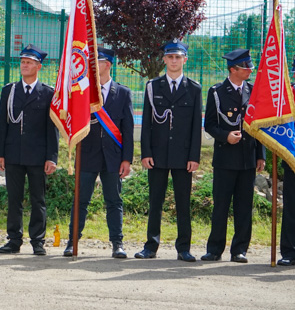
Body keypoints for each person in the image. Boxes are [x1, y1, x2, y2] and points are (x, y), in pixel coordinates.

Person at [62, 47, 134, 258]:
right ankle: (72, 241)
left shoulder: (123, 93)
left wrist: (127, 159)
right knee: (80, 200)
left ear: (108, 65)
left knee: (114, 201)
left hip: (113, 156)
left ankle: (117, 243)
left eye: (98, 62)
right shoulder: (83, 91)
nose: (92, 66)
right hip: (87, 153)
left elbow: (128, 130)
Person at [136, 41, 202, 261]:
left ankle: (184, 248)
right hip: (157, 154)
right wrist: (145, 152)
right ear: (164, 60)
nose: (174, 61)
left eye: (178, 57)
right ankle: (150, 247)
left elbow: (195, 126)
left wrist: (194, 156)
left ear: (185, 59)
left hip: (184, 157)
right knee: (155, 202)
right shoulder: (153, 86)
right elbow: (146, 123)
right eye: (170, 57)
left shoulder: (194, 88)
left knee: (183, 204)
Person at [201, 49, 265, 263]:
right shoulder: (217, 92)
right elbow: (209, 124)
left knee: (244, 206)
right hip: (225, 158)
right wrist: (225, 136)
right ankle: (215, 249)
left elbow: (258, 126)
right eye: (245, 67)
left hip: (247, 158)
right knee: (221, 205)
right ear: (233, 69)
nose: (250, 71)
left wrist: (260, 155)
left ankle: (239, 250)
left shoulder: (253, 90)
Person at [0, 44, 58, 256]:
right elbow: (2, 125)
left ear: (38, 66)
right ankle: (13, 239)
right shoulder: (9, 91)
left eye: (29, 62)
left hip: (37, 156)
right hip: (13, 154)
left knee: (37, 199)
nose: (24, 65)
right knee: (14, 198)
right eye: (22, 62)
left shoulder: (47, 93)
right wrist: (0, 153)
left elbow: (52, 129)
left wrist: (51, 157)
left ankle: (38, 240)